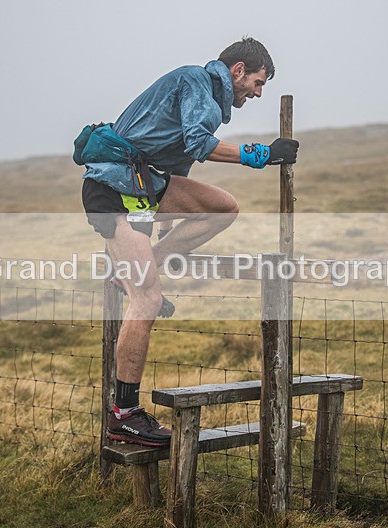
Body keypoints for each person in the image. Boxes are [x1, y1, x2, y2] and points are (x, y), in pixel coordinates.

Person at [75, 37, 299, 447]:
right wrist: (263, 155)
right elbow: (199, 144)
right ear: (238, 71)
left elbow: (178, 162)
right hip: (113, 190)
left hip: (145, 186)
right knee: (147, 300)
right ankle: (124, 416)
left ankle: (137, 268)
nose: (258, 93)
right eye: (258, 82)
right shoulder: (197, 82)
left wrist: (165, 229)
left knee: (224, 207)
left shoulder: (207, 96)